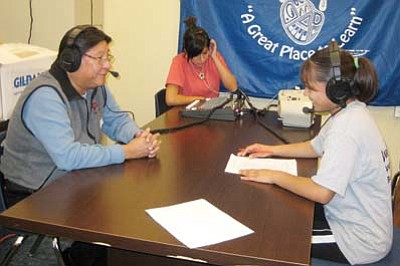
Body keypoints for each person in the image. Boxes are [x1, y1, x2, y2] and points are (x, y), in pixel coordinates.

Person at [0, 25, 161, 265]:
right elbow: (68, 157)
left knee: (125, 212)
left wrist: (138, 136)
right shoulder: (45, 96)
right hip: (33, 198)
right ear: (71, 61)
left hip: (73, 182)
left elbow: (116, 120)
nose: (107, 65)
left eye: (108, 57)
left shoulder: (95, 87)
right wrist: (127, 151)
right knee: (110, 223)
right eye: (99, 58)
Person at [237, 41, 392, 265]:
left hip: (358, 239)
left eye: (311, 88)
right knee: (281, 213)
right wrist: (270, 150)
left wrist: (274, 175)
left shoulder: (346, 130)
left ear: (335, 89)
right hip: (350, 217)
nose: (306, 94)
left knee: (270, 235)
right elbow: (314, 147)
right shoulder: (349, 111)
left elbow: (321, 193)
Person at [165, 16, 237, 106]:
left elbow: (233, 87)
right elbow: (170, 99)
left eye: (204, 53)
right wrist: (197, 99)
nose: (202, 59)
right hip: (187, 111)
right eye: (196, 56)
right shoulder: (179, 61)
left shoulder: (213, 56)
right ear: (186, 53)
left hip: (211, 112)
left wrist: (214, 57)